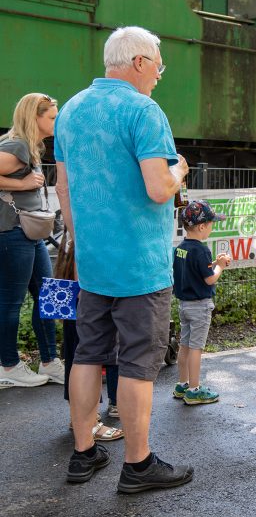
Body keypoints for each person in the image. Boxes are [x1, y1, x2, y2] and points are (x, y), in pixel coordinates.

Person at [54, 26, 193, 492]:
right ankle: (138, 465)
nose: (159, 74)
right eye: (158, 64)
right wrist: (180, 170)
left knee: (88, 354)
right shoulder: (143, 110)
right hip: (140, 266)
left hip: (94, 264)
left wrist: (84, 239)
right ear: (138, 62)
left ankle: (83, 453)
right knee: (137, 364)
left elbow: (64, 188)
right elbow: (158, 189)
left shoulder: (70, 110)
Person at [0, 93, 65, 388]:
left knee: (51, 297)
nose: (57, 120)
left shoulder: (29, 146)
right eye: (51, 116)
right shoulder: (16, 146)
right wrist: (22, 183)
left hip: (30, 232)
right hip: (14, 233)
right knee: (11, 303)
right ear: (34, 117)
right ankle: (8, 366)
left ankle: (50, 362)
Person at [56, 232, 122, 441]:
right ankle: (90, 422)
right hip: (88, 301)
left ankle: (78, 418)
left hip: (73, 303)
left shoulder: (72, 234)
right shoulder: (89, 234)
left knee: (76, 359)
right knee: (89, 360)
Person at [172, 200, 231, 405]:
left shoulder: (181, 248)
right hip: (200, 306)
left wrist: (213, 263)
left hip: (184, 305)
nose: (212, 228)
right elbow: (209, 279)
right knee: (197, 348)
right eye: (212, 224)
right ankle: (194, 389)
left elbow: (194, 269)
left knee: (185, 345)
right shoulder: (202, 249)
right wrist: (221, 267)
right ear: (202, 226)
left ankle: (182, 384)